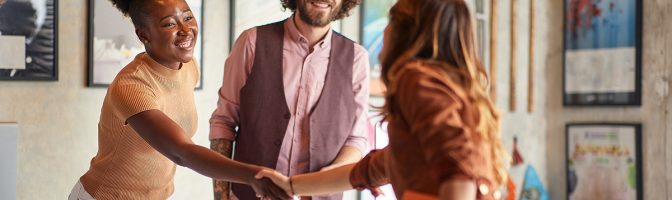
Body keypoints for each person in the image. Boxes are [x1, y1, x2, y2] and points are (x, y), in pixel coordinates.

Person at [255, 0, 510, 199]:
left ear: (406, 32)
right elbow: (366, 171)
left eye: (391, 20)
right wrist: (290, 185)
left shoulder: (416, 79)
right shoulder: (451, 96)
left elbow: (459, 169)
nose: (385, 30)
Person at [69, 0, 291, 199]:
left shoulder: (189, 67)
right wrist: (253, 175)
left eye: (187, 17)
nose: (186, 31)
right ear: (143, 35)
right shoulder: (131, 86)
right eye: (169, 24)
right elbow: (181, 151)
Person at [208, 0, 370, 199]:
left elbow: (356, 139)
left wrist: (332, 173)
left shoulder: (357, 59)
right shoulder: (251, 42)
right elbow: (224, 122)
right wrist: (221, 196)